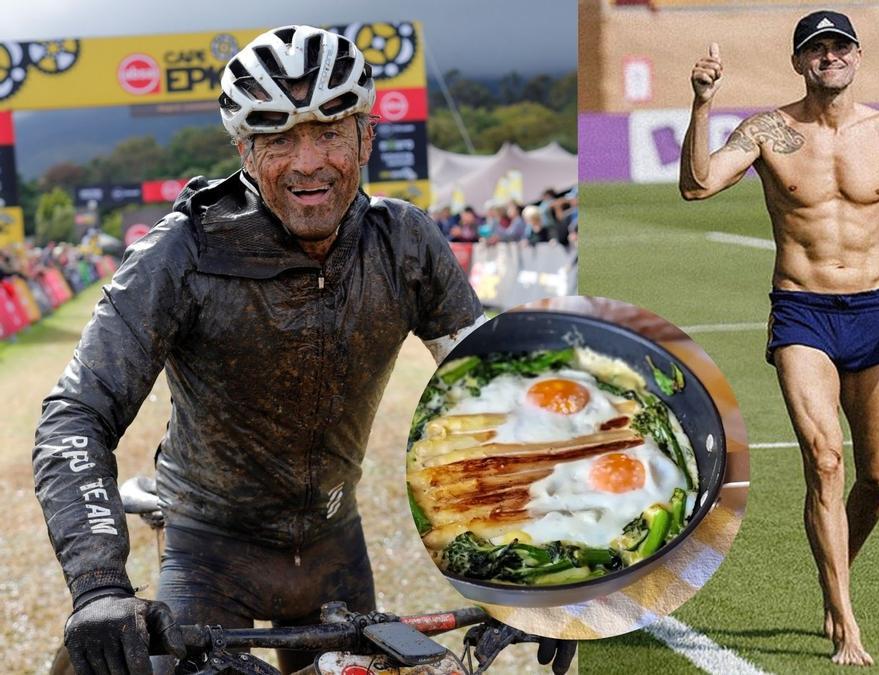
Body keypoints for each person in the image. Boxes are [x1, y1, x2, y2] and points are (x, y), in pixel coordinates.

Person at [32, 25, 573, 675]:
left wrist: (551, 565)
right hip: (210, 550)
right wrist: (98, 588)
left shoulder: (405, 244)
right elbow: (74, 415)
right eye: (279, 137)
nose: (309, 161)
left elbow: (500, 398)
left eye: (329, 130)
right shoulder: (182, 252)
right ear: (243, 150)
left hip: (333, 550)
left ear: (366, 137)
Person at [680, 10, 879, 667]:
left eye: (839, 47)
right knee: (824, 458)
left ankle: (837, 571)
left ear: (857, 56)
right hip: (802, 311)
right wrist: (701, 103)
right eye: (816, 49)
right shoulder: (768, 129)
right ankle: (844, 615)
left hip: (874, 312)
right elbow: (696, 184)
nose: (829, 57)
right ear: (800, 62)